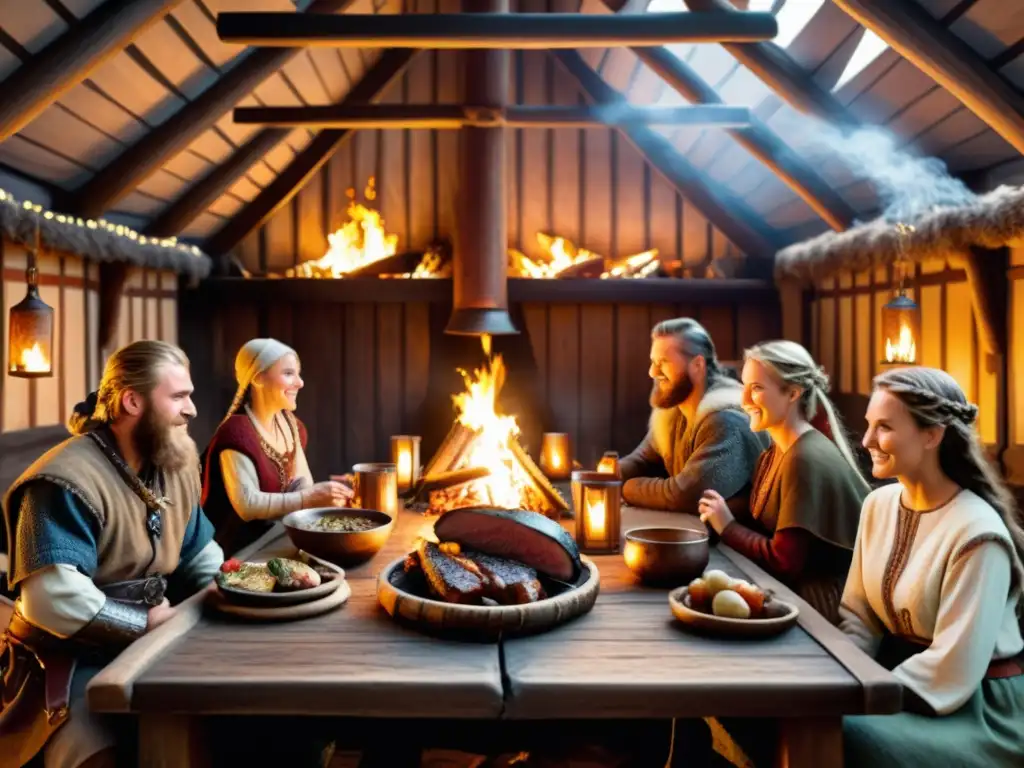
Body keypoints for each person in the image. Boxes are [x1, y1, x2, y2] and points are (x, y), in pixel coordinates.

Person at [0, 340, 223, 768]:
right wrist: (145, 621)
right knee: (100, 753)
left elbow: (197, 554)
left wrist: (229, 587)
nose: (192, 408)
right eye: (179, 396)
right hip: (64, 663)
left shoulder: (171, 464)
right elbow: (52, 601)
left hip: (152, 645)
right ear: (132, 401)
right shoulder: (62, 479)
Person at [838, 366, 1023, 767]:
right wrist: (836, 684)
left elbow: (951, 666)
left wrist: (863, 697)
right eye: (869, 425)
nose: (867, 439)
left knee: (841, 734)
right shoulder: (877, 506)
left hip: (975, 707)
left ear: (931, 435)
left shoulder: (978, 533)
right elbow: (859, 616)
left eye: (884, 427)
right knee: (802, 720)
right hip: (893, 681)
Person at [697, 340, 871, 623]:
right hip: (795, 591)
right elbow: (767, 516)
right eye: (744, 387)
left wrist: (727, 526)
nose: (744, 401)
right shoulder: (779, 447)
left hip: (824, 605)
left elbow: (784, 562)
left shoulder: (803, 458)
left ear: (792, 393)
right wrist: (718, 512)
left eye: (757, 388)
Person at [201, 338, 351, 555]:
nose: (300, 382)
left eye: (298, 374)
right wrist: (310, 498)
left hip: (276, 529)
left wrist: (327, 496)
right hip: (235, 544)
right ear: (258, 377)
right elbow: (248, 506)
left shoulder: (291, 424)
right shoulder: (237, 432)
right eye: (289, 373)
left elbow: (303, 484)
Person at [618, 318, 768, 514]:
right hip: (698, 533)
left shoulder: (727, 420)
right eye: (653, 362)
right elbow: (643, 460)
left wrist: (625, 488)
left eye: (663, 362)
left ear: (697, 365)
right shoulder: (673, 413)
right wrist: (611, 474)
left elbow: (686, 495)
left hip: (732, 542)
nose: (653, 372)